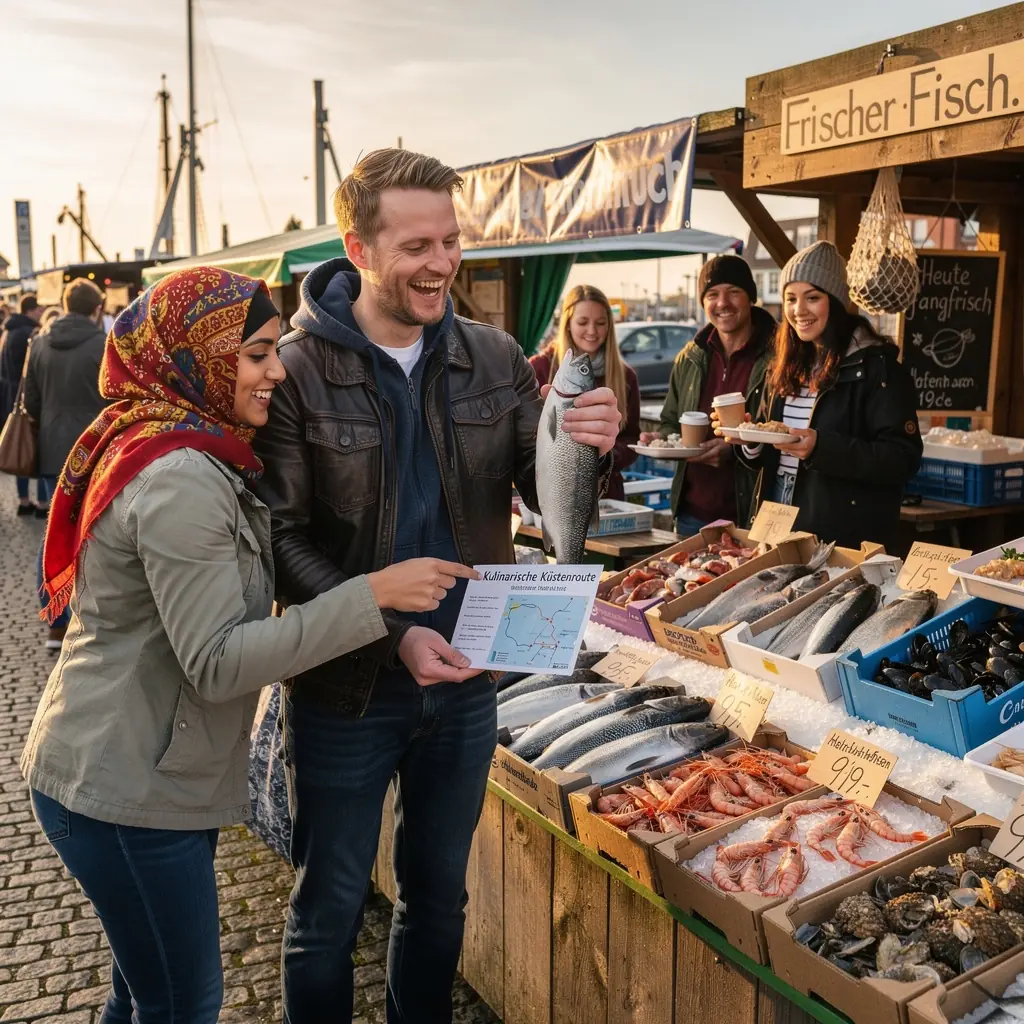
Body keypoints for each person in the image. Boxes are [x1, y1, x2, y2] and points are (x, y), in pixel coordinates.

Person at [20, 266, 477, 1024]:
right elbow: (220, 662)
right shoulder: (182, 478)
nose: (279, 370)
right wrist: (373, 596)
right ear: (195, 357)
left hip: (130, 772)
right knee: (183, 1004)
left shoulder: (175, 443)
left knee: (141, 995)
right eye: (258, 353)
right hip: (127, 790)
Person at [253, 147, 621, 1023]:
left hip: (472, 680)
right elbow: (277, 538)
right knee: (327, 912)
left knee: (440, 902)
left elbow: (543, 492)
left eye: (451, 242)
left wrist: (588, 442)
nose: (442, 264)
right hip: (346, 684)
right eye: (417, 245)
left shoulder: (494, 356)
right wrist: (389, 628)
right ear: (360, 247)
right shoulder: (299, 369)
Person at [724, 240, 922, 551]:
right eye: (790, 299)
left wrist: (822, 448)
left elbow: (902, 460)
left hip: (837, 524)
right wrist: (750, 441)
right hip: (775, 510)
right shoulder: (781, 365)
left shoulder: (878, 369)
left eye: (812, 298)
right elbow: (771, 452)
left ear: (836, 301)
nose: (798, 310)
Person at [641, 255, 775, 535]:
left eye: (734, 292)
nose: (722, 303)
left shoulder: (778, 357)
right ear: (703, 303)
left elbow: (786, 433)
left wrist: (735, 449)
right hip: (691, 516)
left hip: (751, 518)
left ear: (751, 298)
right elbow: (670, 421)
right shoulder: (689, 357)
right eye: (712, 294)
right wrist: (663, 440)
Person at [24, 278, 108, 649]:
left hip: (50, 447)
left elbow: (31, 400)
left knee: (53, 531)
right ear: (95, 309)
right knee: (96, 533)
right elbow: (112, 397)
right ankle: (90, 616)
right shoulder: (101, 344)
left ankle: (55, 619)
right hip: (92, 449)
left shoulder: (39, 343)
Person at [529, 284, 640, 500]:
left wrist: (602, 456)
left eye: (600, 323)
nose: (592, 331)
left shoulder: (625, 376)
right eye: (583, 322)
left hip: (606, 496)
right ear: (567, 323)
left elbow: (631, 439)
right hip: (552, 494)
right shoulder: (539, 368)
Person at [0, 293, 46, 514]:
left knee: (21, 446)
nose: (41, 313)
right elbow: (29, 374)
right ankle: (40, 502)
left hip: (11, 398)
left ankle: (23, 499)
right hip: (27, 400)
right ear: (30, 310)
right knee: (34, 449)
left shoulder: (9, 331)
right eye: (38, 309)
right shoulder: (29, 334)